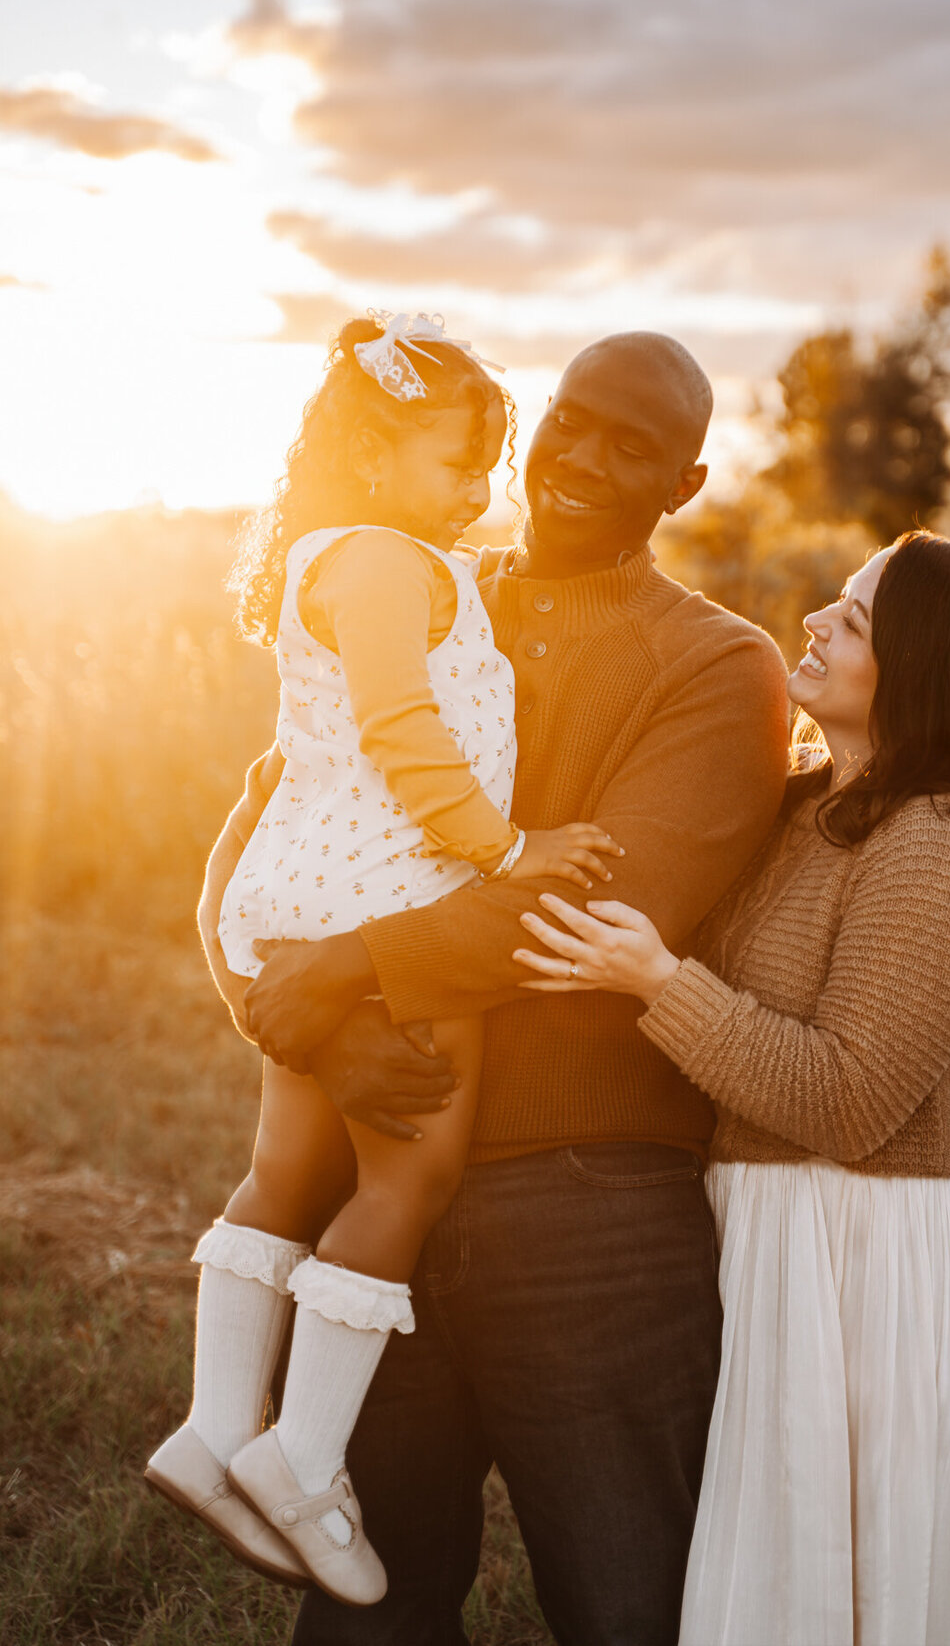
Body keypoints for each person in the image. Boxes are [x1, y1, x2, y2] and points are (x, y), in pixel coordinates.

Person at [196, 330, 792, 1644]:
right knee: (365, 1614)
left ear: (685, 484)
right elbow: (271, 828)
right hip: (380, 1165)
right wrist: (293, 1028)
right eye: (570, 420)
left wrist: (342, 975)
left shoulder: (717, 664)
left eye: (631, 444)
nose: (580, 456)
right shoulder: (405, 585)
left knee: (631, 1605)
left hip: (590, 1211)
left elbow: (601, 912)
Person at [513, 531, 950, 1646]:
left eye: (858, 617)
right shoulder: (803, 808)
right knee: (790, 1567)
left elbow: (849, 1099)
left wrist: (656, 980)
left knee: (870, 1573)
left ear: (927, 668)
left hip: (883, 1263)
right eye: (835, 600)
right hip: (783, 1238)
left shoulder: (941, 845)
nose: (817, 623)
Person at [146, 311, 622, 1607]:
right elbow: (405, 731)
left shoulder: (346, 553)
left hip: (303, 888)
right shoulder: (380, 564)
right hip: (387, 887)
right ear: (370, 456)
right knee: (414, 1177)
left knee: (290, 1167)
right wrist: (506, 844)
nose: (476, 491)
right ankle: (300, 1456)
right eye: (452, 465)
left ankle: (213, 1424)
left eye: (484, 465)